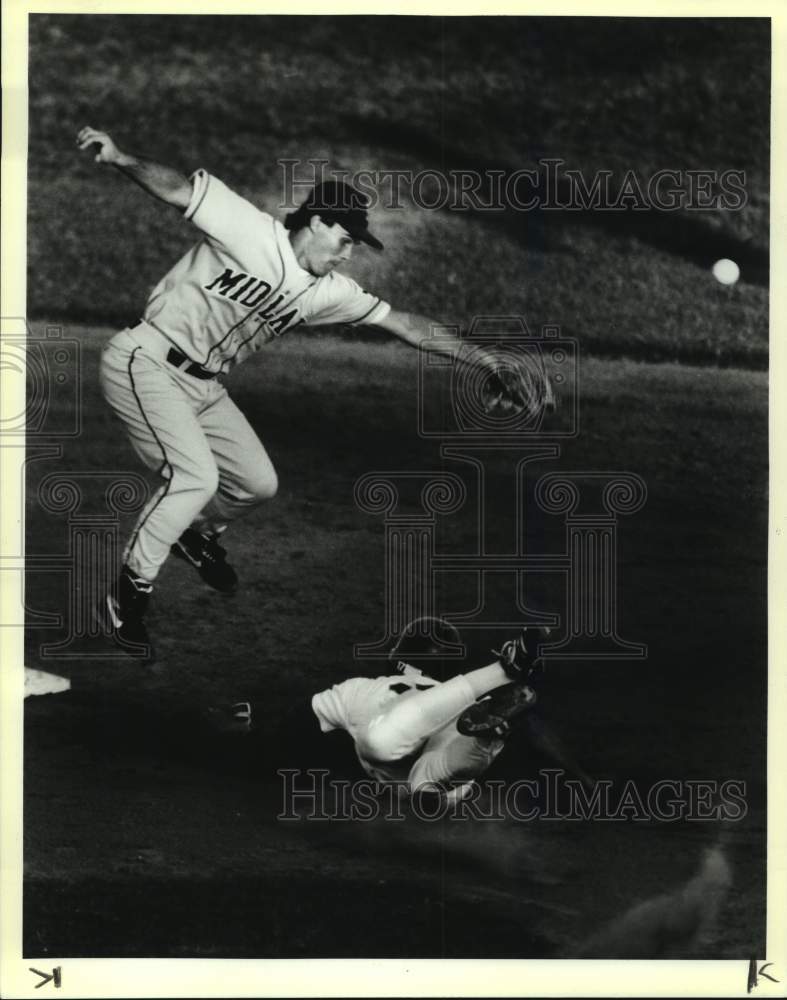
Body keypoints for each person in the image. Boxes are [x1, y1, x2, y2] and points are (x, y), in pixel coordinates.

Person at [76, 127, 516, 662]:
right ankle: (127, 595)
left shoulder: (326, 292)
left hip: (203, 385)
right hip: (143, 361)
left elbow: (404, 324)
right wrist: (120, 156)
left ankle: (193, 534)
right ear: (318, 222)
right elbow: (176, 190)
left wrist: (485, 360)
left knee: (256, 484)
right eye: (347, 239)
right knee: (194, 476)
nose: (350, 253)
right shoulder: (249, 231)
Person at [310, 617, 552, 803]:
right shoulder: (464, 703)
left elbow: (304, 719)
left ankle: (501, 671)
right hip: (447, 778)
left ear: (399, 658)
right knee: (438, 775)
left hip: (390, 748)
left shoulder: (363, 688)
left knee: (378, 741)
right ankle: (486, 738)